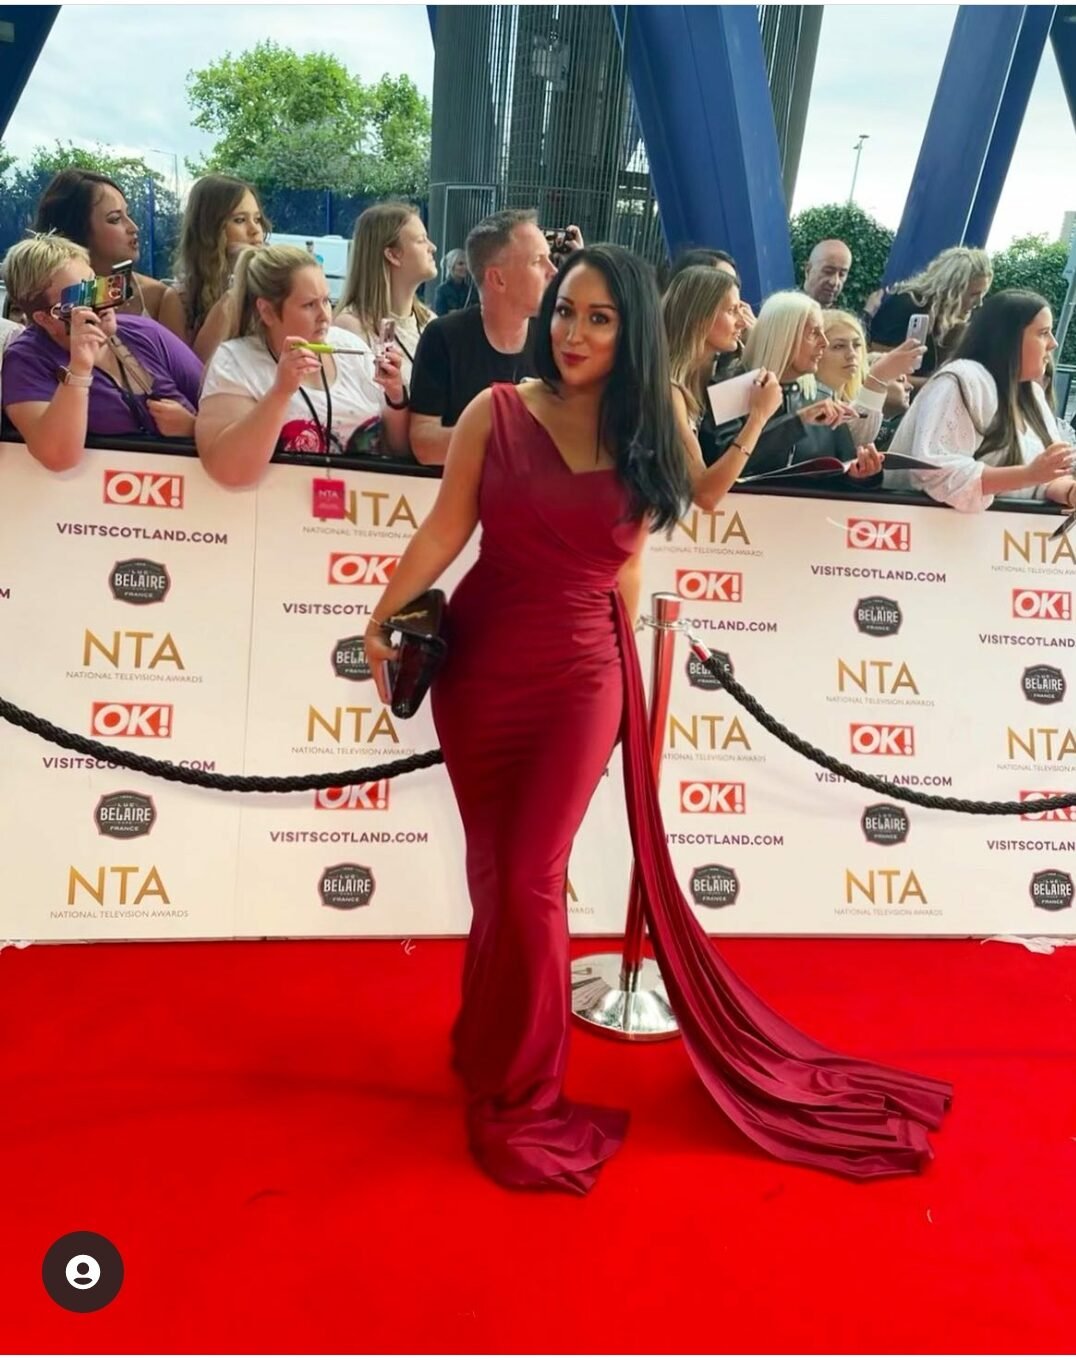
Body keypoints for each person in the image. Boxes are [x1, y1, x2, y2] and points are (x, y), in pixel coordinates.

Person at [362, 242, 951, 1194]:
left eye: (599, 318)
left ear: (632, 329)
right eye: (565, 310)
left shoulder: (656, 420)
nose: (573, 332)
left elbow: (655, 539)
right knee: (494, 871)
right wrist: (382, 614)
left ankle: (526, 1093)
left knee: (531, 874)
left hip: (581, 676)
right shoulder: (494, 411)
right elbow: (444, 528)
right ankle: (491, 1041)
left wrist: (755, 425)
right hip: (482, 667)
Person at [195, 244, 408, 488]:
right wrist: (280, 393)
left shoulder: (350, 346)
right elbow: (228, 471)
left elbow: (399, 451)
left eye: (326, 301)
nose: (325, 315)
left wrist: (396, 397)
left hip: (362, 504)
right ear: (267, 311)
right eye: (309, 305)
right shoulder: (234, 361)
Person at [2, 235, 202, 470]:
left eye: (97, 285)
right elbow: (58, 456)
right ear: (46, 319)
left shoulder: (146, 332)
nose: (103, 302)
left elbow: (217, 408)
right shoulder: (26, 361)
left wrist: (193, 427)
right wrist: (79, 368)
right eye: (82, 297)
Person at [407, 209, 581, 465]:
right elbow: (424, 444)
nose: (553, 271)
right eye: (537, 261)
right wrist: (508, 432)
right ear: (497, 279)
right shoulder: (444, 337)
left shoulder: (556, 337)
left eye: (550, 259)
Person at [884, 289, 1076, 512]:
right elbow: (934, 472)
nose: (1053, 343)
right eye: (1043, 333)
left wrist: (1069, 491)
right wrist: (1028, 475)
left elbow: (1047, 480)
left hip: (1002, 531)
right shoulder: (961, 379)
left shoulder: (1032, 393)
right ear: (1009, 338)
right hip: (932, 530)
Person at [708, 291, 884, 482]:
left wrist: (862, 476)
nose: (824, 342)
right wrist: (797, 422)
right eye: (814, 333)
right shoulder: (729, 389)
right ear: (784, 338)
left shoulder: (822, 397)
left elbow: (843, 473)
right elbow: (719, 465)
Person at [662, 264, 782, 492]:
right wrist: (758, 418)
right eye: (732, 311)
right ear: (699, 316)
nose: (742, 322)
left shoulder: (713, 377)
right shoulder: (666, 388)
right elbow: (704, 492)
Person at [158, 174, 269, 362]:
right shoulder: (179, 299)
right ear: (209, 230)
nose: (255, 230)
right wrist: (232, 297)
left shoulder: (269, 287)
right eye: (240, 220)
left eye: (257, 219)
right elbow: (190, 373)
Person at [34, 169, 167, 321]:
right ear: (78, 229)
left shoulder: (160, 297)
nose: (134, 227)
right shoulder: (44, 300)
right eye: (115, 219)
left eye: (128, 214)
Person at [334, 202, 438, 386]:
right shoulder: (351, 327)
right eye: (421, 240)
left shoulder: (430, 322)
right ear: (392, 255)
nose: (433, 247)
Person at [869, 246, 992, 388]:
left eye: (982, 295)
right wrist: (939, 384)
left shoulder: (950, 319)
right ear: (953, 288)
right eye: (974, 295)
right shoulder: (905, 306)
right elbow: (877, 370)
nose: (979, 303)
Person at [817, 310, 924, 447]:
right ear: (814, 351)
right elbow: (855, 438)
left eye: (857, 345)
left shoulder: (853, 402)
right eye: (838, 346)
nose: (852, 354)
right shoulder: (803, 402)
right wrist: (879, 377)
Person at [802, 238, 852, 308]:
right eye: (828, 272)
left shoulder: (843, 315)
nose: (835, 282)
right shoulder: (789, 311)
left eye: (842, 274)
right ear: (808, 270)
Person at [434, 249, 472, 315]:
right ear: (451, 266)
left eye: (467, 264)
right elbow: (440, 315)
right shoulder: (442, 290)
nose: (465, 267)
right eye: (460, 264)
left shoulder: (470, 290)